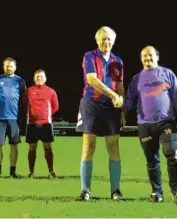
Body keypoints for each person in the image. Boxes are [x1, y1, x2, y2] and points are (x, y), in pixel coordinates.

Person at [125, 46, 177, 204]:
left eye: (150, 55)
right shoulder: (136, 78)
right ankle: (156, 192)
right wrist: (120, 105)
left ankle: (176, 191)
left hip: (166, 122)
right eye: (144, 56)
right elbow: (129, 101)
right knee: (152, 161)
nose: (148, 58)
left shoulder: (167, 74)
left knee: (172, 155)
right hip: (145, 124)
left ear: (157, 56)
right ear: (141, 59)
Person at [76, 26, 125, 201]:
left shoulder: (117, 61)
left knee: (113, 147)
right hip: (91, 104)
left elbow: (120, 85)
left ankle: (116, 190)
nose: (106, 42)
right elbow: (92, 79)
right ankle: (85, 190)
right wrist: (113, 95)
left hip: (111, 108)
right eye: (103, 39)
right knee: (89, 147)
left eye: (109, 39)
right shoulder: (89, 56)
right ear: (97, 41)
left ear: (114, 40)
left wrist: (122, 109)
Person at [0, 57, 26, 178]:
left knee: (14, 145)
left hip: (14, 118)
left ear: (15, 67)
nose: (8, 67)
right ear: (3, 66)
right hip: (0, 118)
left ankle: (12, 171)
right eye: (6, 65)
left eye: (11, 66)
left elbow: (23, 98)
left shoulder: (20, 81)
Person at [23, 69, 59, 178]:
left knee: (47, 147)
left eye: (41, 77)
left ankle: (51, 171)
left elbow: (55, 106)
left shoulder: (51, 91)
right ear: (34, 78)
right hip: (32, 124)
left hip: (46, 124)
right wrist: (32, 114)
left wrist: (45, 115)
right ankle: (31, 172)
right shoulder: (28, 91)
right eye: (37, 77)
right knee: (32, 148)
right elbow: (24, 106)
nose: (39, 79)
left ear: (45, 78)